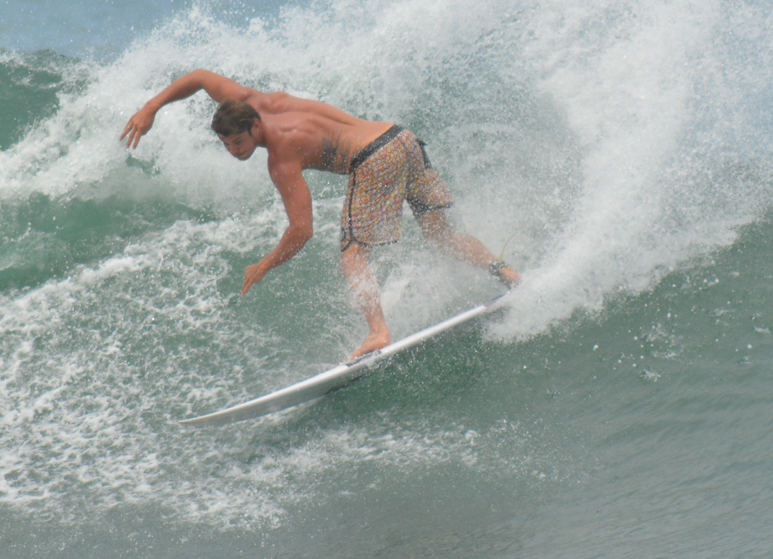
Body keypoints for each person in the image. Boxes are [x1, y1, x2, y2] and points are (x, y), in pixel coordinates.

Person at [120, 70, 518, 360]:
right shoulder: (256, 101)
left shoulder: (281, 158)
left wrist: (263, 265)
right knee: (440, 235)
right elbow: (201, 77)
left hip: (373, 158)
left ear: (254, 127)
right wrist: (151, 106)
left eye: (239, 142)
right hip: (402, 138)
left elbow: (301, 230)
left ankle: (378, 332)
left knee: (352, 254)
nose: (236, 151)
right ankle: (509, 275)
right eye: (227, 146)